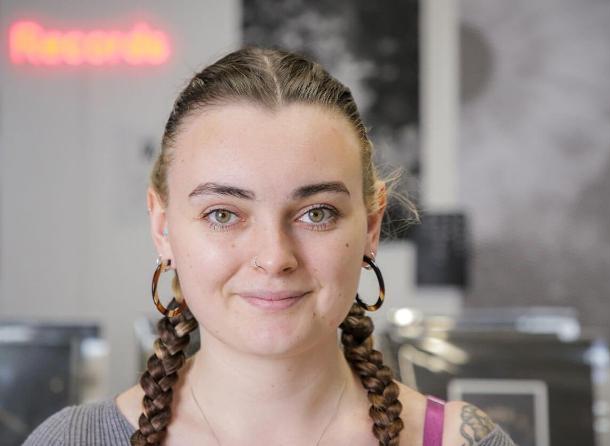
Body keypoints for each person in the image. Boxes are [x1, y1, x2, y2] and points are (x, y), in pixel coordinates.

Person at [23, 47, 516, 446]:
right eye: (223, 214)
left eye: (316, 213)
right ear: (163, 226)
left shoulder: (461, 439)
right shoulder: (71, 439)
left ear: (370, 224)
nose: (275, 257)